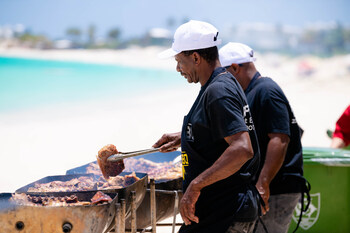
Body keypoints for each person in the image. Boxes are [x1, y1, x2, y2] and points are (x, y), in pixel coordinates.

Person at [153, 20, 261, 233]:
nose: (177, 69)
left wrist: (195, 186)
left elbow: (242, 148)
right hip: (214, 213)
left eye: (179, 61)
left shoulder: (218, 91)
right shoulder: (219, 84)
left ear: (195, 57)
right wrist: (184, 136)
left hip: (225, 213)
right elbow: (218, 130)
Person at [219, 42, 309, 233]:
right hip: (268, 188)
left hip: (277, 188)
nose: (223, 80)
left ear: (235, 68)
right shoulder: (250, 92)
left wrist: (263, 184)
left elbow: (280, 138)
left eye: (224, 73)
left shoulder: (266, 90)